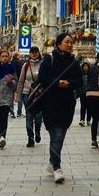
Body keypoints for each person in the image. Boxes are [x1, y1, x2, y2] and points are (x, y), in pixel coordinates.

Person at [35, 32, 83, 183]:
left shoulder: (74, 62)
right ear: (58, 44)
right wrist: (57, 83)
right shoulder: (49, 59)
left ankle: (51, 162)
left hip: (67, 103)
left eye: (71, 42)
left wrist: (69, 84)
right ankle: (57, 168)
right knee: (55, 135)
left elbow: (80, 81)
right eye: (67, 42)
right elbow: (42, 78)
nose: (69, 44)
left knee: (60, 136)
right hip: (50, 103)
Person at [15, 47, 43, 147]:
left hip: (39, 94)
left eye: (36, 52)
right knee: (29, 117)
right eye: (32, 52)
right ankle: (30, 138)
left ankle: (38, 132)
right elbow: (21, 81)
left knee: (39, 116)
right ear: (30, 54)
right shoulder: (25, 65)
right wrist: (18, 96)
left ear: (38, 53)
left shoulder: (42, 64)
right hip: (27, 93)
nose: (34, 54)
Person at [0, 49, 16, 148]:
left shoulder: (12, 68)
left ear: (9, 57)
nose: (5, 58)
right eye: (3, 56)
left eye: (6, 56)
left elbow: (15, 83)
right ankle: (0, 137)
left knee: (4, 117)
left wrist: (11, 82)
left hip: (7, 97)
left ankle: (3, 137)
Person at [85, 52, 99, 148]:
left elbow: (89, 79)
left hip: (90, 94)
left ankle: (94, 141)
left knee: (95, 119)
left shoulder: (92, 68)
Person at [9, 52, 23, 117]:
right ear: (17, 56)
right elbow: (21, 72)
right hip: (18, 81)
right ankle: (19, 112)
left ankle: (11, 112)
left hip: (11, 80)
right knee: (19, 96)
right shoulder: (19, 63)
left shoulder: (10, 62)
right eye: (19, 56)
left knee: (11, 96)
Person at [78, 61, 91, 126]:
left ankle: (88, 120)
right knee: (83, 106)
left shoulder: (90, 74)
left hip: (89, 92)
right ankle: (82, 120)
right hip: (82, 92)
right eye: (84, 66)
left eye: (86, 66)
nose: (85, 67)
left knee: (89, 107)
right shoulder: (80, 75)